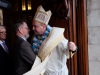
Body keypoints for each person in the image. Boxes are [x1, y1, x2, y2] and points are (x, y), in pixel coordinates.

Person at [24, 5, 77, 75]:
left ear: (44, 26)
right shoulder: (34, 38)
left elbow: (66, 51)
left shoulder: (56, 35)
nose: (33, 29)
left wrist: (73, 48)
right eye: (32, 26)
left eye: (35, 26)